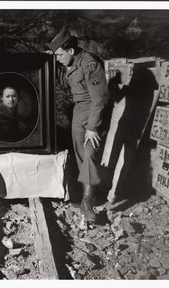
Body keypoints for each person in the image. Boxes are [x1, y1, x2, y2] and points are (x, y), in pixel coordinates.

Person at [47, 29, 111, 222]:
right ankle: (88, 195)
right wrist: (51, 61)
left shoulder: (90, 64)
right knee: (81, 156)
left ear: (72, 51)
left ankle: (87, 203)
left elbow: (100, 99)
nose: (58, 58)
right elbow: (65, 82)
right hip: (78, 113)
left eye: (59, 55)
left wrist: (92, 127)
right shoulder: (72, 63)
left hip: (93, 114)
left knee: (90, 155)